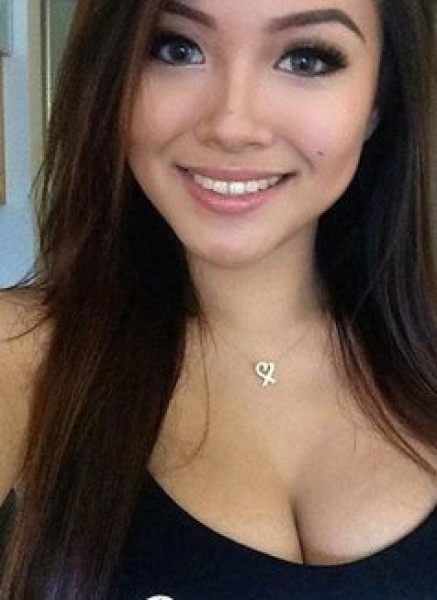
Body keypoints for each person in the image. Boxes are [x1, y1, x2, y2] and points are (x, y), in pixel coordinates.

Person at [0, 0, 436, 597]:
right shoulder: (20, 358)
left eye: (306, 59)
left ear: (378, 99)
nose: (232, 125)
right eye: (177, 48)